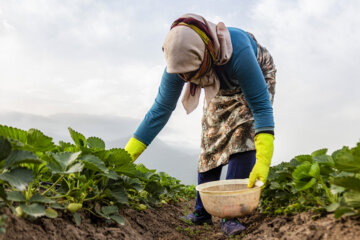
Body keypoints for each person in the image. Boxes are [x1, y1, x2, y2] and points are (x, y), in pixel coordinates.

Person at [124, 13, 276, 236]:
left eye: (191, 74)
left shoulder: (239, 52)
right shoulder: (179, 64)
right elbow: (160, 110)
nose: (188, 80)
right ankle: (202, 212)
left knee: (244, 131)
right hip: (218, 80)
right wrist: (124, 158)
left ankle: (230, 215)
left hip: (255, 77)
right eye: (183, 76)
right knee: (211, 137)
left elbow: (261, 107)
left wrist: (263, 159)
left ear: (204, 55)